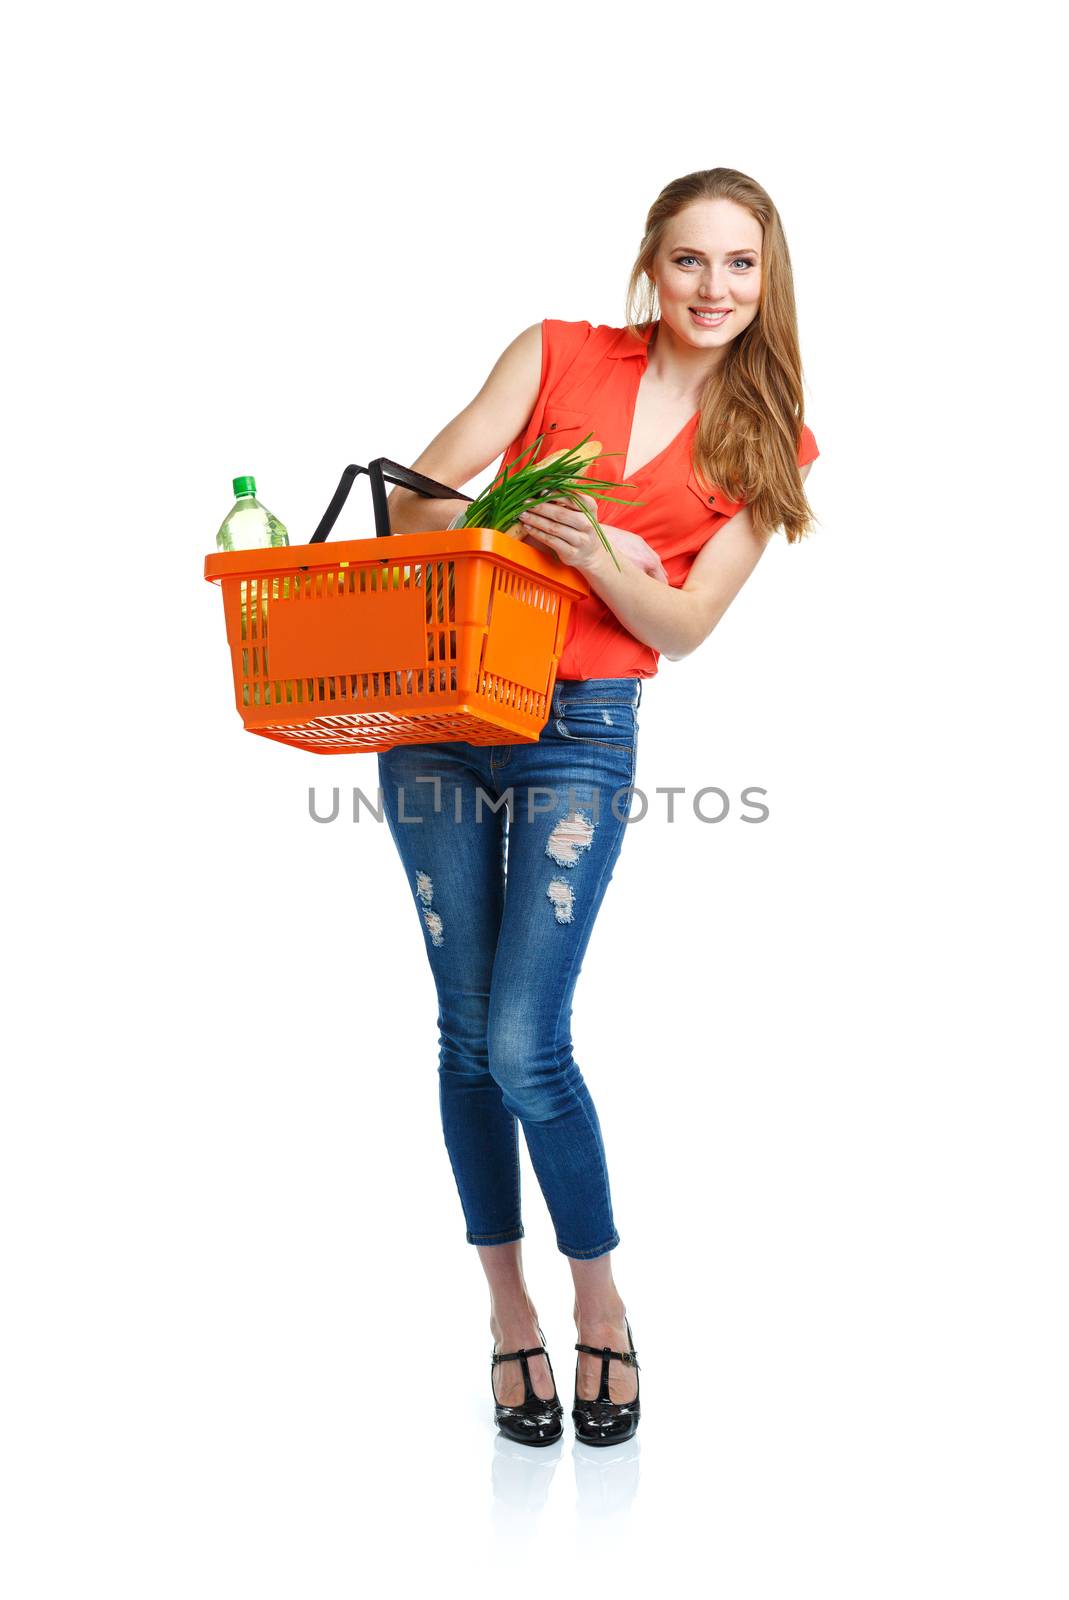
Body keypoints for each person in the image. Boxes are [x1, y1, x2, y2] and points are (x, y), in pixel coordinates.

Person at [378, 166, 820, 1448]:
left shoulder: (768, 440)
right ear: (652, 262)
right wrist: (499, 515)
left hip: (580, 729)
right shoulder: (554, 351)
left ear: (767, 280)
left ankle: (599, 1301)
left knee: (526, 1040)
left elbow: (683, 627)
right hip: (439, 713)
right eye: (691, 260)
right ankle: (508, 1312)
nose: (714, 288)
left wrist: (601, 559)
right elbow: (415, 495)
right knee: (465, 1036)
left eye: (740, 266)